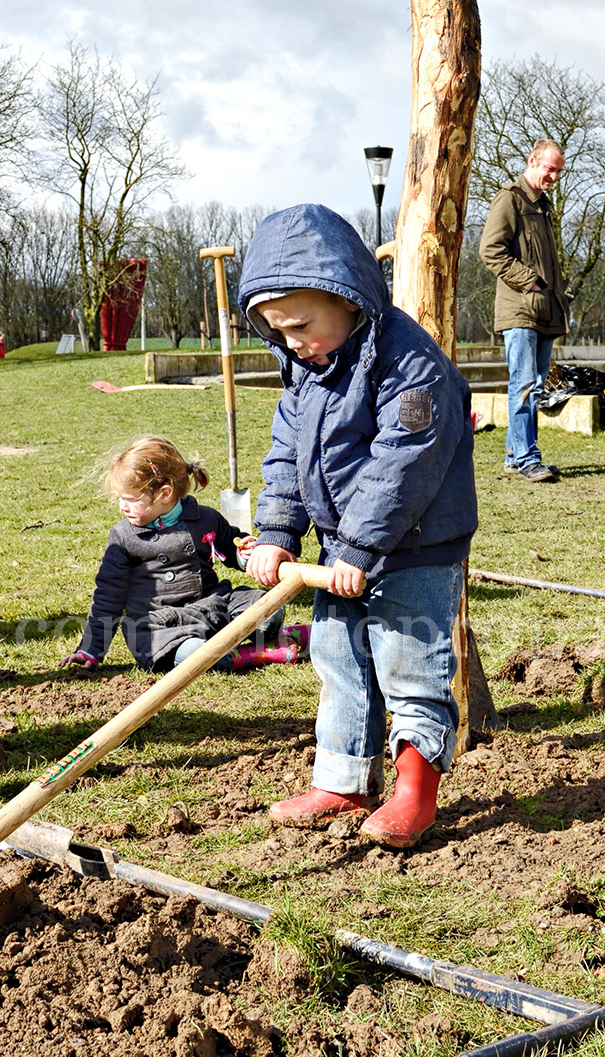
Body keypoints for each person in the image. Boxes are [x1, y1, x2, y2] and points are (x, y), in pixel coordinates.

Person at [238, 203, 477, 849]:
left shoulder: (410, 366)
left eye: (300, 325)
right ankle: (344, 778)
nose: (291, 341)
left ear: (347, 297)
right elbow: (286, 458)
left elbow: (403, 465)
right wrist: (277, 535)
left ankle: (414, 789)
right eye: (276, 330)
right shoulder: (306, 373)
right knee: (338, 660)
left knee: (409, 661)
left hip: (415, 547)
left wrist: (359, 548)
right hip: (341, 553)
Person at [60, 436, 308, 673]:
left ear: (165, 494)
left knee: (270, 608)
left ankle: (273, 636)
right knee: (197, 656)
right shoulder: (123, 538)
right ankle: (260, 653)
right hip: (161, 626)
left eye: (130, 499)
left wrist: (246, 552)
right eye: (120, 499)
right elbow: (108, 595)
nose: (122, 507)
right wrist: (90, 649)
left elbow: (231, 549)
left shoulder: (205, 518)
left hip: (213, 606)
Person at [479, 139, 569, 484]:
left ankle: (515, 457)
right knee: (525, 385)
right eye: (550, 168)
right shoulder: (510, 199)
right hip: (520, 311)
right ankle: (528, 458)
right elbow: (490, 250)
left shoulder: (543, 206)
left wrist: (560, 294)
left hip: (545, 310)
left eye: (559, 171)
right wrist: (529, 281)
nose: (554, 176)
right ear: (532, 161)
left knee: (532, 385)